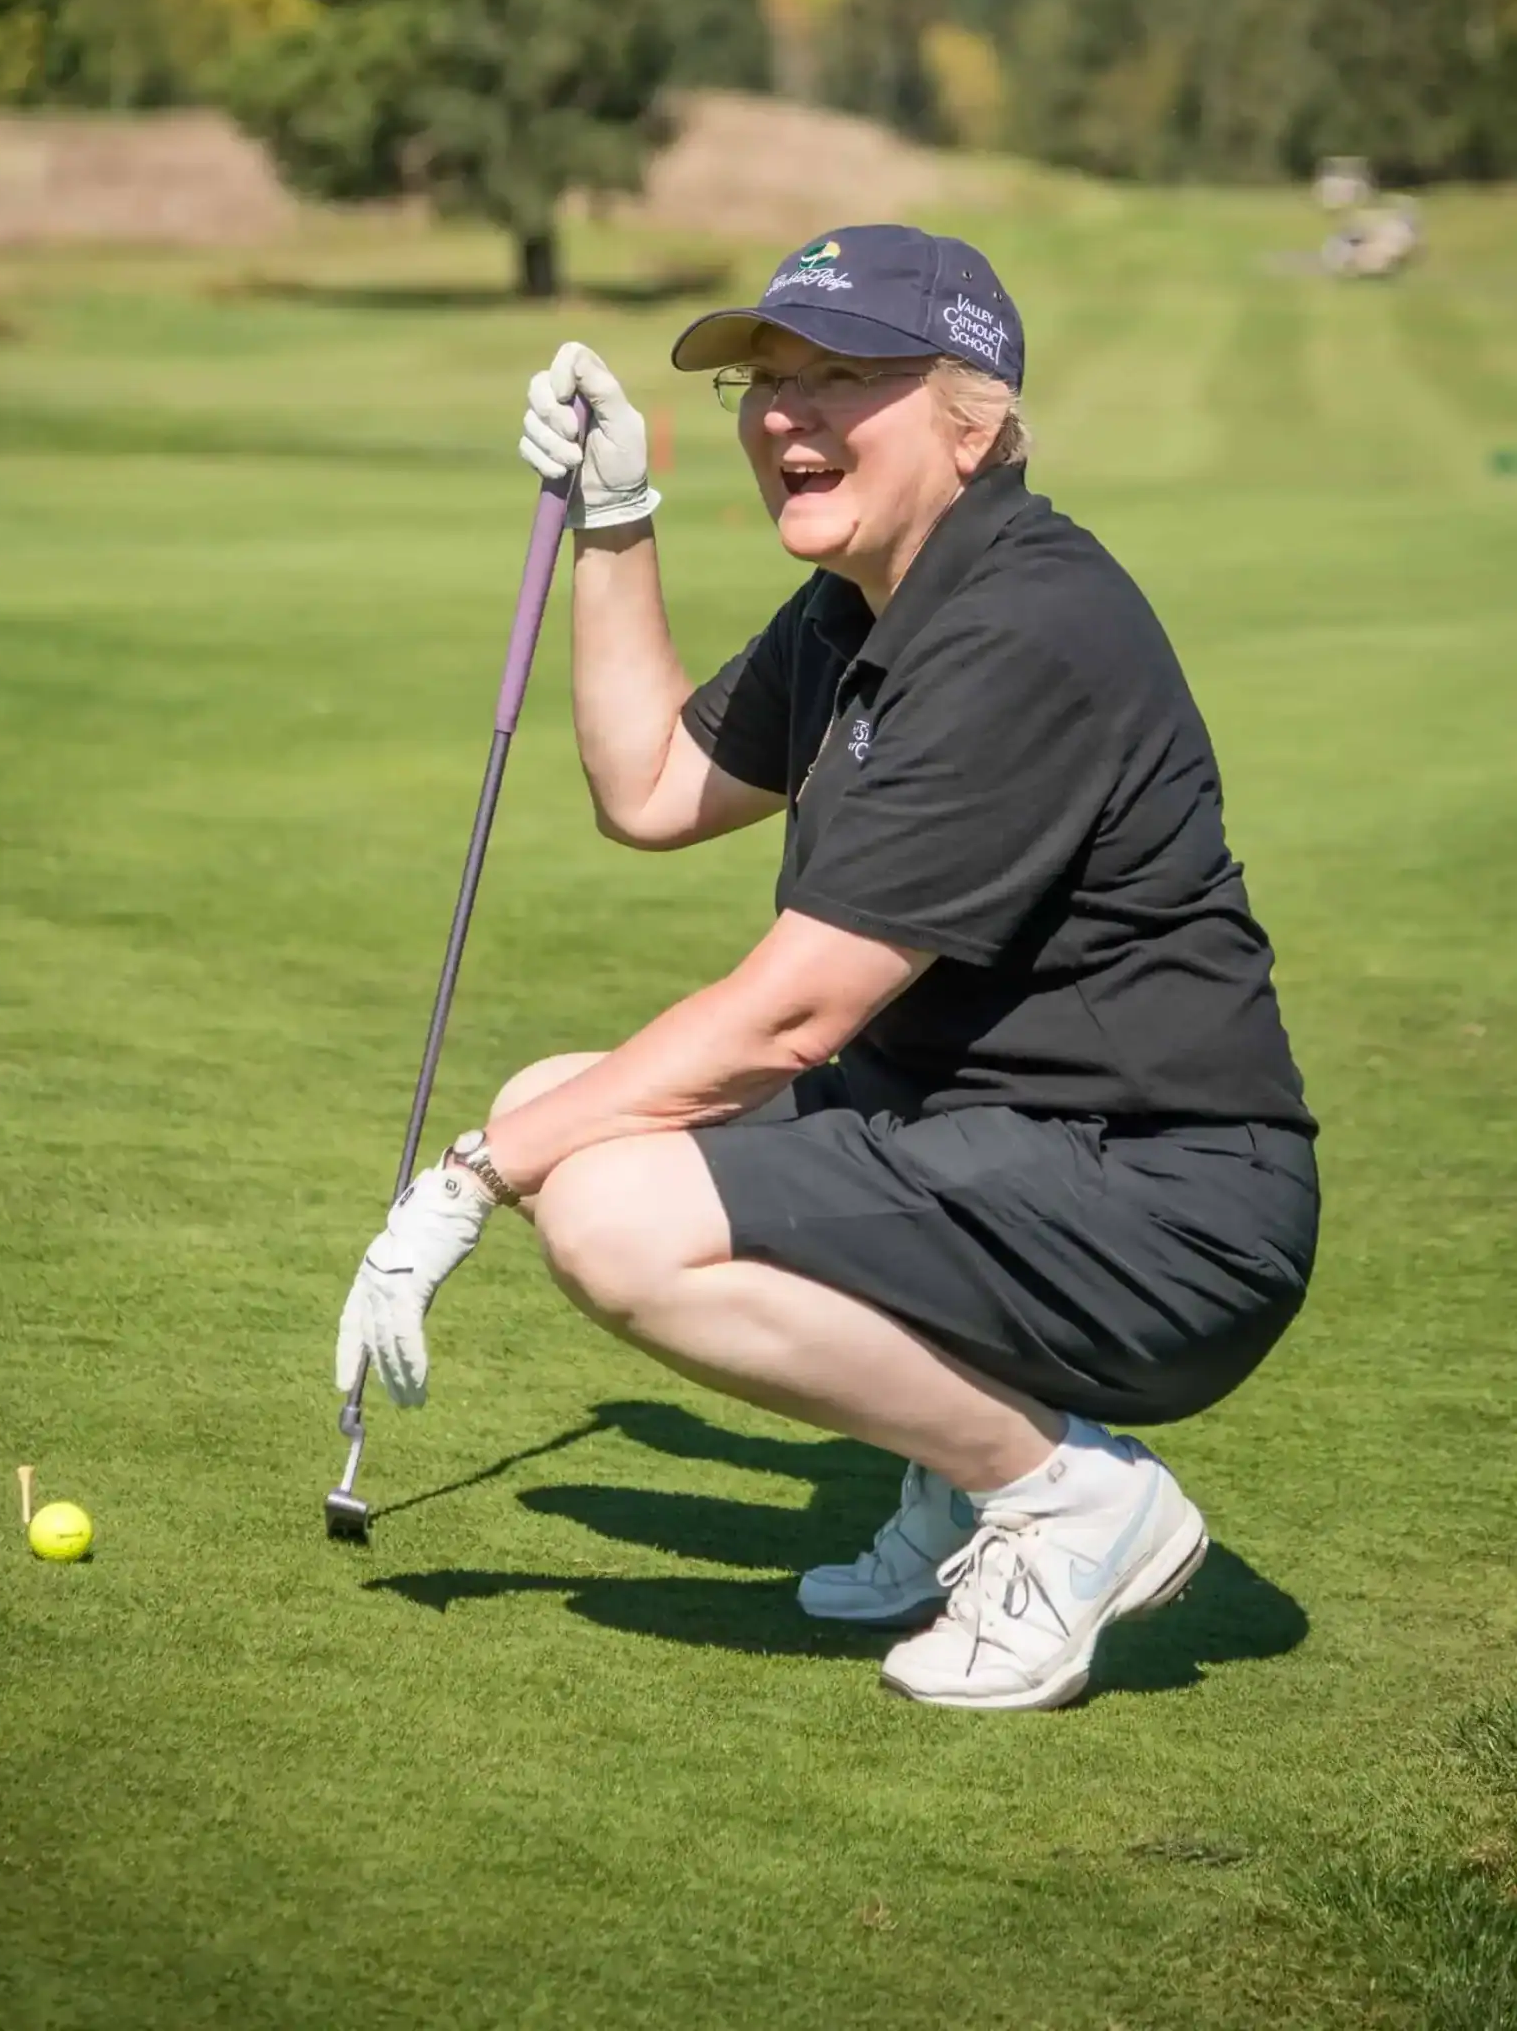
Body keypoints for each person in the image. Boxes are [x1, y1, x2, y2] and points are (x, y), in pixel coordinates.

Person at [337, 224, 1319, 1712]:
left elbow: (795, 1014)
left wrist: (476, 1175)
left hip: (1164, 1202)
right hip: (996, 1143)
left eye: (840, 376)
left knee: (604, 1202)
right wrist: (618, 520)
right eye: (766, 382)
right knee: (571, 1098)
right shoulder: (868, 604)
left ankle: (1061, 1500)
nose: (784, 414)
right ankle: (963, 1473)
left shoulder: (1021, 628)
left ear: (970, 413)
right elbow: (656, 788)